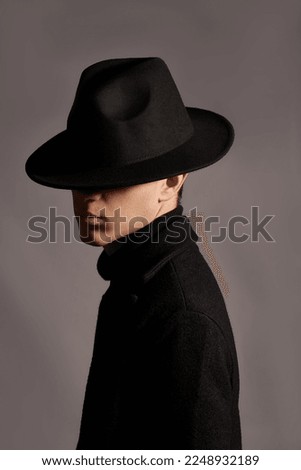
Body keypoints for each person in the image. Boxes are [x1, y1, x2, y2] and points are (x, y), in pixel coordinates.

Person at [25, 57, 242, 450]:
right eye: (82, 180)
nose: (91, 198)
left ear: (171, 182)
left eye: (114, 179)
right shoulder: (136, 282)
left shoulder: (182, 317)